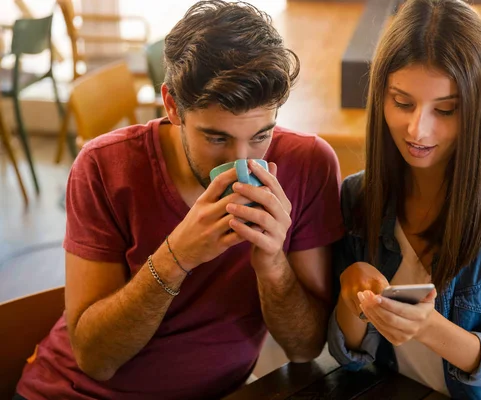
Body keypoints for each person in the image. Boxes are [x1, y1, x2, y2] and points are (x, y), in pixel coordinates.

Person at [15, 1, 344, 399]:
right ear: (172, 105)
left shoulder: (308, 166)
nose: (241, 163)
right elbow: (95, 360)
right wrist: (176, 257)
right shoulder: (103, 166)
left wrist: (273, 264)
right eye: (216, 137)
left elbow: (305, 348)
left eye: (260, 136)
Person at [327, 0, 481, 398]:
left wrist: (428, 328)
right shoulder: (358, 197)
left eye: (446, 110)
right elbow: (350, 356)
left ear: (478, 110)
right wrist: (350, 295)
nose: (418, 130)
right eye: (402, 103)